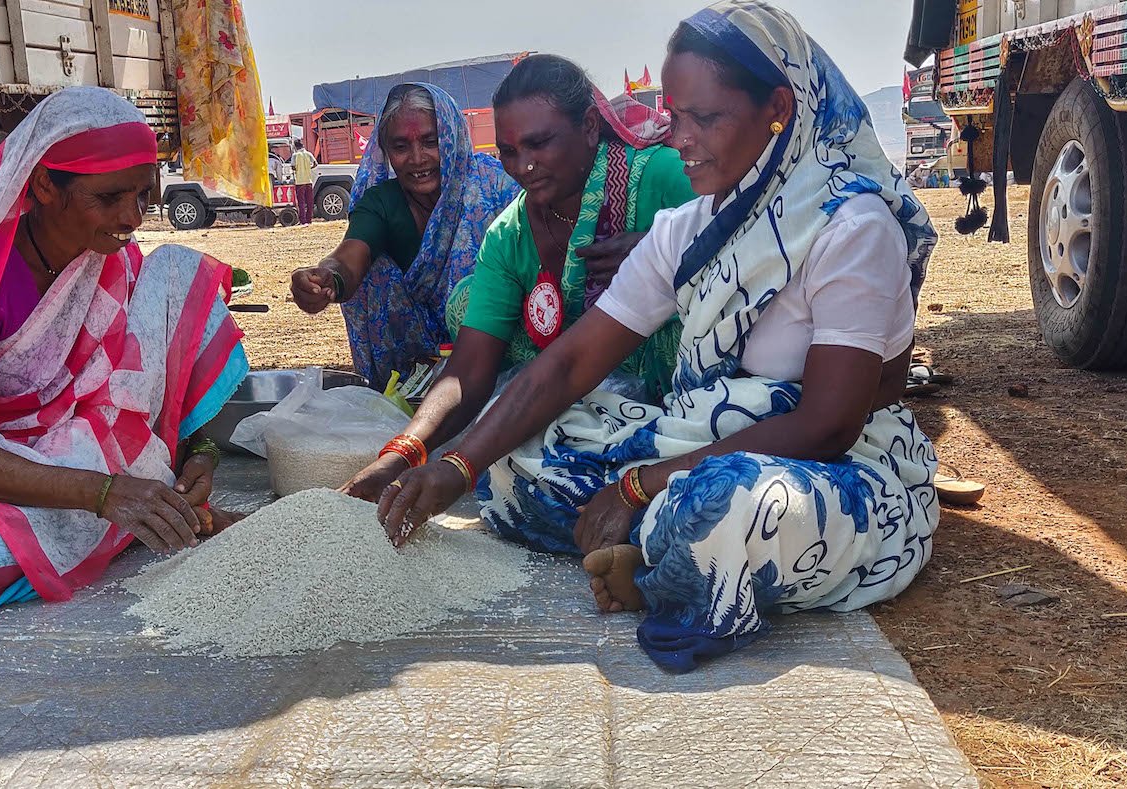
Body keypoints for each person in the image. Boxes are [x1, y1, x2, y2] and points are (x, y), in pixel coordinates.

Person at [377, 1, 940, 673]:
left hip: (828, 467)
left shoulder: (850, 227)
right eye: (676, 117)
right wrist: (454, 464)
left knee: (730, 505)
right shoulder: (689, 228)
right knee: (516, 453)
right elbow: (568, 365)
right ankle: (665, 548)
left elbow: (826, 424)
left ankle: (662, 554)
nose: (681, 139)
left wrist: (639, 485)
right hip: (696, 443)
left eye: (707, 117)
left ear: (778, 109)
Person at [0, 87, 250, 616]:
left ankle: (144, 509)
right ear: (46, 184)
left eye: (142, 196)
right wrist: (104, 494)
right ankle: (129, 521)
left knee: (177, 273)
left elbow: (150, 381)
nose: (133, 218)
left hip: (86, 457)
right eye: (110, 198)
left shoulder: (112, 262)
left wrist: (201, 453)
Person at [343, 54, 697, 502]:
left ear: (590, 127)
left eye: (539, 143)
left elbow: (754, 243)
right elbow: (469, 369)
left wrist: (666, 249)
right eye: (509, 151)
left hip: (686, 397)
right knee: (521, 490)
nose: (523, 166)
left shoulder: (662, 179)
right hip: (572, 385)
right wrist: (400, 455)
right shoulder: (510, 233)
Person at [289, 83, 518, 389]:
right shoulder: (383, 202)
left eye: (430, 141)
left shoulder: (495, 188)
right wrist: (327, 279)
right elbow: (351, 256)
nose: (417, 158)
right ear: (385, 151)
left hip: (500, 351)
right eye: (400, 147)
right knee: (375, 274)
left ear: (452, 138)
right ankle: (405, 389)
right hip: (416, 357)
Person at [292, 139, 318, 224]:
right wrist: (308, 168)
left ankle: (303, 220)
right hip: (308, 180)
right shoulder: (308, 154)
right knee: (310, 201)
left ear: (295, 147)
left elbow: (293, 167)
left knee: (301, 202)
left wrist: (299, 169)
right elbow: (315, 164)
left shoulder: (295, 155)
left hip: (300, 181)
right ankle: (309, 219)